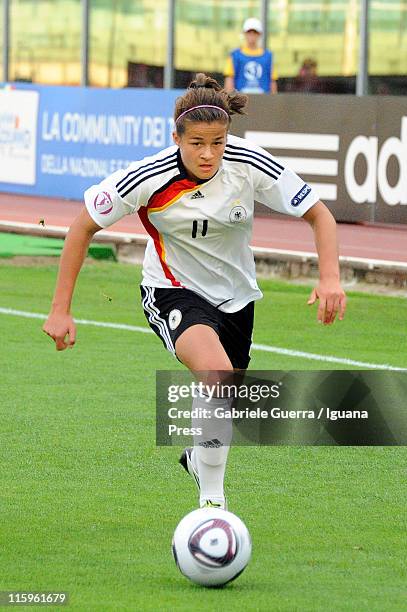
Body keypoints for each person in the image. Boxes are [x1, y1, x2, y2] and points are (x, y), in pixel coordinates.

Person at [43, 73, 346, 511]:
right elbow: (82, 226)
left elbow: (320, 215)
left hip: (237, 298)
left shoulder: (250, 163)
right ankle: (212, 507)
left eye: (218, 142)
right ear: (176, 138)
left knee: (224, 403)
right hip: (171, 290)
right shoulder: (147, 176)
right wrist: (60, 310)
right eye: (197, 143)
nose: (209, 154)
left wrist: (330, 278)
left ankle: (196, 459)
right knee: (217, 376)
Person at [224, 17, 277, 94]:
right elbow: (229, 79)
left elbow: (272, 81)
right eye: (249, 32)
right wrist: (230, 100)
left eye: (255, 32)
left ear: (260, 34)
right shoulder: (235, 55)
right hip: (241, 101)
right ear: (244, 34)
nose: (252, 35)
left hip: (264, 101)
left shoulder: (268, 56)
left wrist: (274, 101)